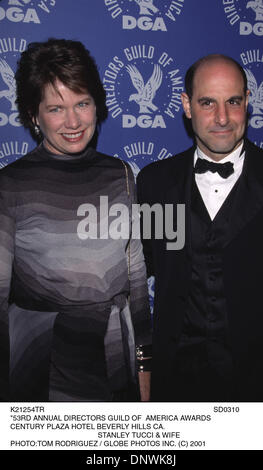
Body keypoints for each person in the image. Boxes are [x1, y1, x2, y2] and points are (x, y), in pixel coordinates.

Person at [0, 38, 151, 402]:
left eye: (82, 103)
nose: (73, 121)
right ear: (34, 116)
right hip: (43, 363)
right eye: (56, 108)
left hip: (115, 359)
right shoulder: (10, 185)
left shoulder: (120, 175)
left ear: (96, 105)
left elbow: (135, 277)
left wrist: (145, 361)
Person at [137, 53, 263, 401]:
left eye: (233, 102)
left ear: (247, 103)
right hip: (176, 384)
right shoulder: (155, 184)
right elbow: (135, 273)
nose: (222, 117)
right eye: (208, 102)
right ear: (187, 106)